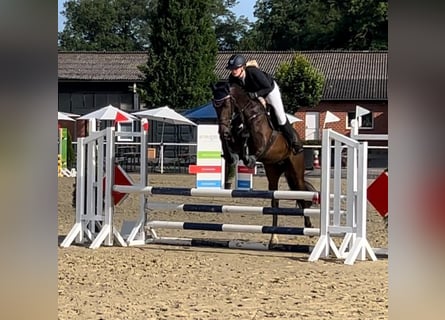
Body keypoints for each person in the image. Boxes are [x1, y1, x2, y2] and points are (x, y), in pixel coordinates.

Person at [226, 54, 303, 154]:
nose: (233, 71)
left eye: (236, 68)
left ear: (243, 67)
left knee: (280, 116)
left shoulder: (253, 72)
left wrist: (257, 95)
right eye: (232, 69)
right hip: (253, 94)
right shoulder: (232, 78)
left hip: (269, 91)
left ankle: (294, 142)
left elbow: (267, 87)